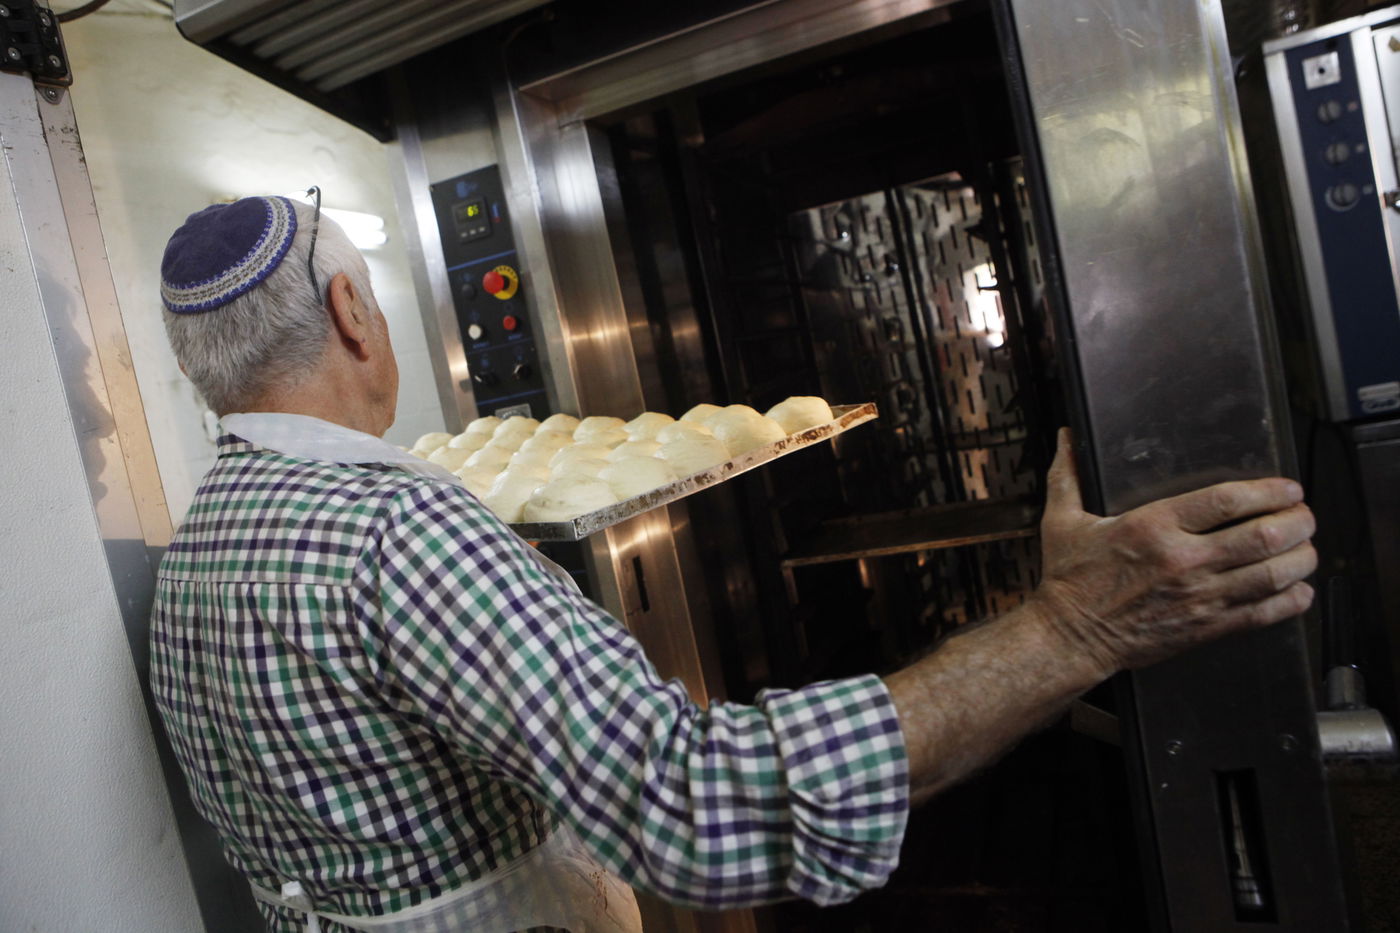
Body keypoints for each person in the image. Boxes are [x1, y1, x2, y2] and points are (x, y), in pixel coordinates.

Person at [150, 196, 1317, 933]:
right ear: (354, 311)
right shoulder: (399, 531)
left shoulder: (191, 563)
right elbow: (696, 805)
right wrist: (1074, 631)